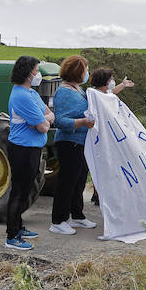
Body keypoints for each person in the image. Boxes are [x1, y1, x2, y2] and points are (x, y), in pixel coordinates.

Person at [5, 56, 53, 251]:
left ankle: (18, 227)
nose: (38, 74)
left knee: (25, 191)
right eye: (36, 70)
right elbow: (43, 126)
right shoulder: (22, 96)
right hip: (22, 149)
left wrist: (45, 118)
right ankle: (11, 236)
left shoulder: (30, 93)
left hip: (31, 148)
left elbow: (49, 113)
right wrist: (45, 119)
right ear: (27, 73)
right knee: (18, 192)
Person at [47, 55, 97, 235]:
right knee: (67, 182)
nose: (87, 73)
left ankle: (77, 215)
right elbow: (60, 121)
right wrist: (82, 122)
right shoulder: (64, 92)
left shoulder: (79, 90)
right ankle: (58, 220)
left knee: (80, 180)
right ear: (78, 71)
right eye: (86, 69)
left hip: (81, 142)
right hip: (69, 143)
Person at [85, 68, 134, 205]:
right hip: (104, 139)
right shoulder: (94, 95)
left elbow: (111, 93)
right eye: (111, 78)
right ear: (106, 81)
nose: (113, 81)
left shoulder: (104, 94)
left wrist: (123, 85)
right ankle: (99, 195)